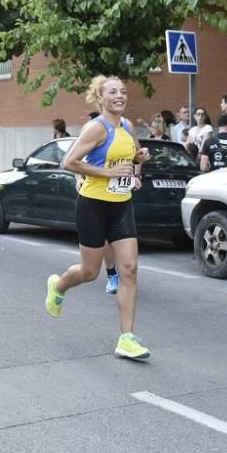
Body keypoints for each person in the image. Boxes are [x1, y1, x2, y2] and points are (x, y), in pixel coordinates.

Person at [47, 75, 152, 360]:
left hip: (121, 205)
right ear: (101, 98)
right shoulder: (96, 128)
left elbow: (130, 160)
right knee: (90, 272)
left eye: (123, 91)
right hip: (93, 205)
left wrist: (136, 168)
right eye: (113, 92)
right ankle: (58, 286)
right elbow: (69, 162)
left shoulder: (128, 126)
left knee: (128, 269)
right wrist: (109, 174)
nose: (120, 96)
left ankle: (126, 338)